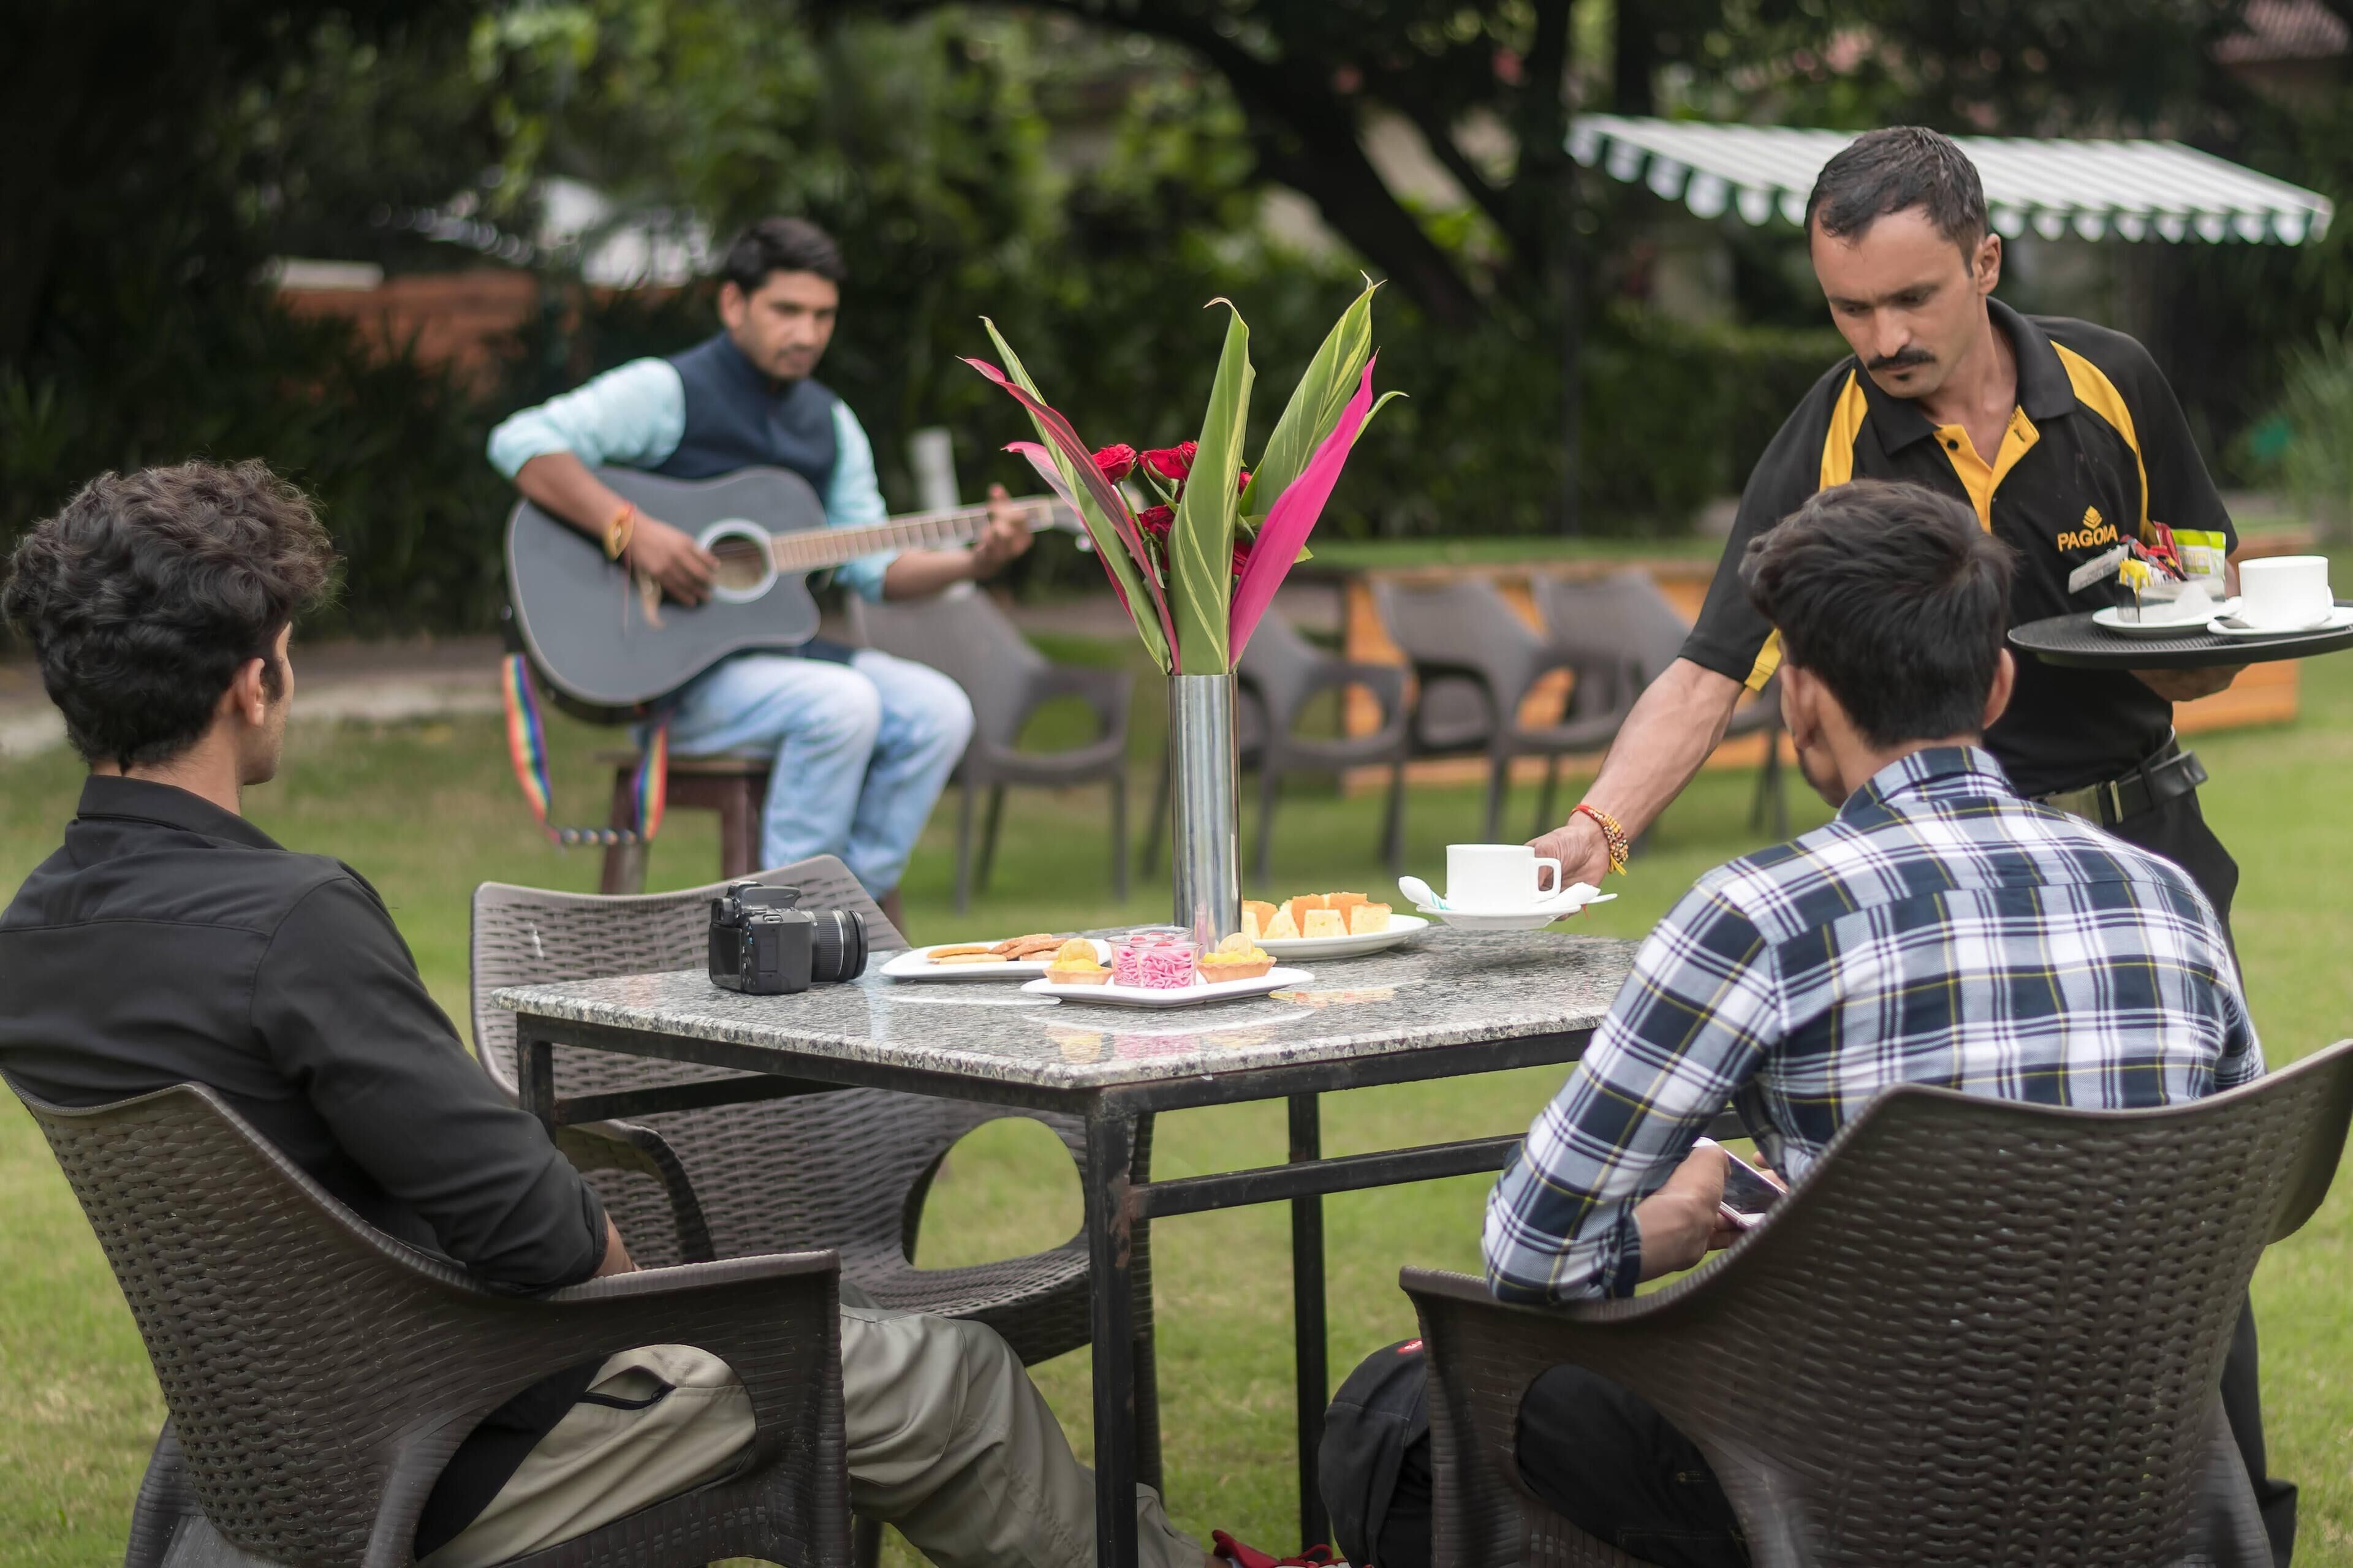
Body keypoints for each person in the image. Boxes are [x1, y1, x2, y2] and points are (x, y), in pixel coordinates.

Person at [0, 461, 1249, 1568]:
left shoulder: (33, 943)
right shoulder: (292, 923)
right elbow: (533, 1232)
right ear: (252, 681)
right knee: (947, 1375)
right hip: (453, 1443)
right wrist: (676, 1318)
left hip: (273, 1446)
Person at [1525, 126, 2290, 1558]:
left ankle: (2219, 1526)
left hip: (2136, 851)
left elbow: (2213, 604)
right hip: (1913, 892)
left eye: (1909, 300)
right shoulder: (1826, 434)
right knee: (1959, 1235)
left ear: (1983, 265)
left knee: (2172, 1237)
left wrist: (2165, 629)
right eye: (1847, 308)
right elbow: (1710, 664)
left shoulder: (2110, 382)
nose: (1879, 337)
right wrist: (1593, 823)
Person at [1326, 480, 2265, 1568]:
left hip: (1855, 1481)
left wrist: (1663, 1232)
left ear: (1801, 700)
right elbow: (2229, 1193)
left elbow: (1533, 1253)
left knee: (1393, 1419)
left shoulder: (1759, 915)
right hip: (2126, 1466)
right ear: (1999, 681)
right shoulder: (2168, 898)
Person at [488, 216, 1028, 904]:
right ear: (733, 303)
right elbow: (521, 442)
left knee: (939, 710)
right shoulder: (667, 391)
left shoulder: (832, 423)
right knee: (842, 704)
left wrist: (974, 564)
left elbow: (874, 567)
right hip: (668, 676)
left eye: (823, 316)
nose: (806, 334)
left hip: (782, 664)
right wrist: (633, 531)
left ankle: (844, 906)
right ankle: (772, 920)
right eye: (787, 310)